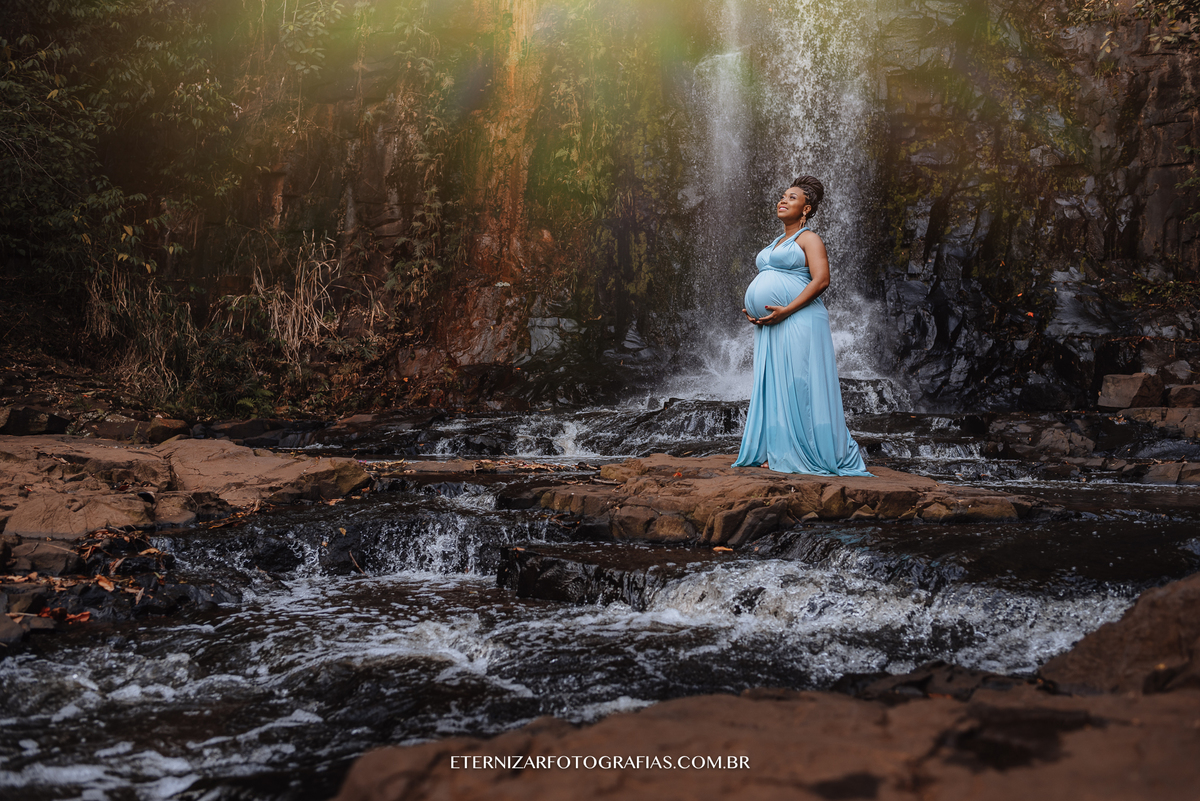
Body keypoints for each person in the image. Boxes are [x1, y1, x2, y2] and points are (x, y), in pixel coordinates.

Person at [732, 176, 872, 476]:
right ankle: (779, 450)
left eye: (792, 198)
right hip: (774, 323)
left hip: (800, 319)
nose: (783, 200)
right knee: (776, 385)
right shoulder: (777, 242)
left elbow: (822, 280)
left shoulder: (809, 238)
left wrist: (785, 310)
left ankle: (804, 452)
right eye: (782, 196)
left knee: (798, 385)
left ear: (806, 209)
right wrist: (756, 308)